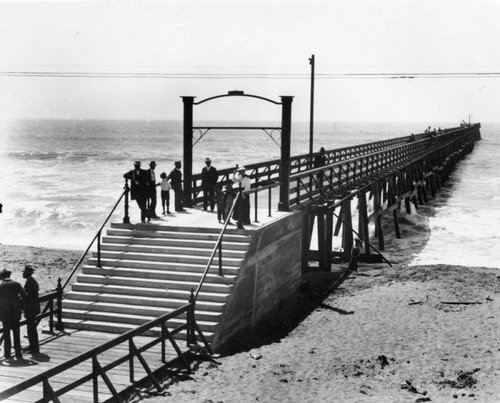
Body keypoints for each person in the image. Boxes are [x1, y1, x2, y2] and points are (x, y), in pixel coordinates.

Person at [0, 268, 27, 360]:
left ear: (3, 277)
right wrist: (19, 304)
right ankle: (18, 353)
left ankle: (7, 354)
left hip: (5, 313)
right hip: (15, 312)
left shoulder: (1, 286)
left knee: (7, 333)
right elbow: (25, 296)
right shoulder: (16, 284)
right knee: (16, 333)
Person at [23, 265, 40, 355]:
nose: (23, 273)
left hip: (30, 309)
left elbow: (28, 297)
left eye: (24, 272)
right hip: (32, 308)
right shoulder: (32, 281)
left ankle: (34, 348)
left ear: (28, 273)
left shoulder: (30, 283)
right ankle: (33, 346)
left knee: (31, 329)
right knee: (31, 328)